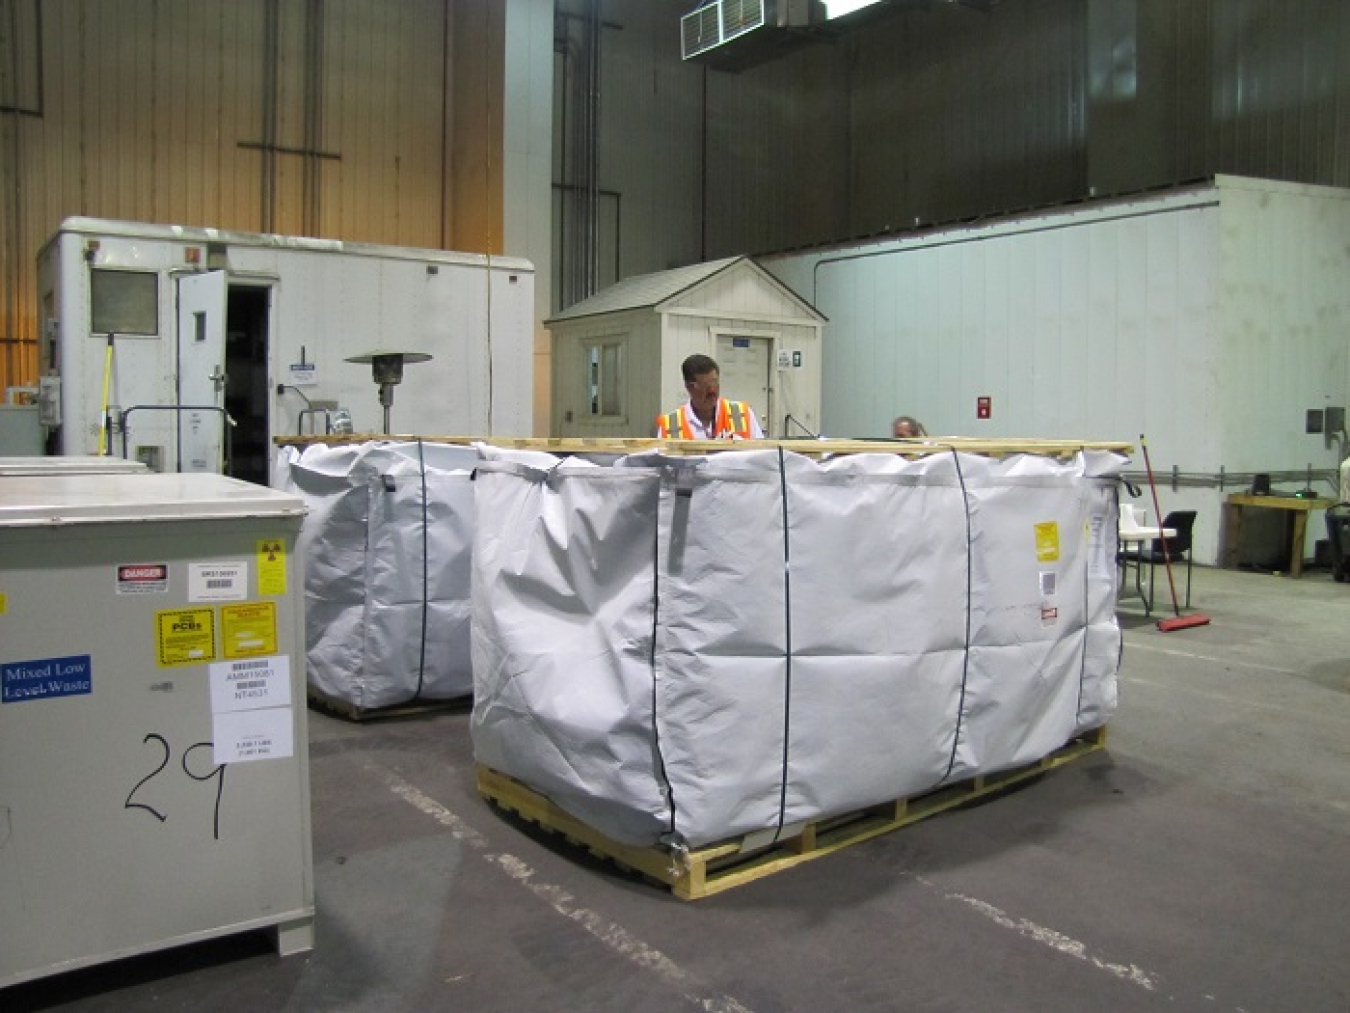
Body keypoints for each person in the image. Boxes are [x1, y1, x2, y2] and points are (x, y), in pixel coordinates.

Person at [656, 353, 765, 440]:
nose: (712, 391)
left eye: (715, 383)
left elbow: (762, 456)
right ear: (689, 387)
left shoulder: (741, 414)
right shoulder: (671, 426)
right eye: (705, 386)